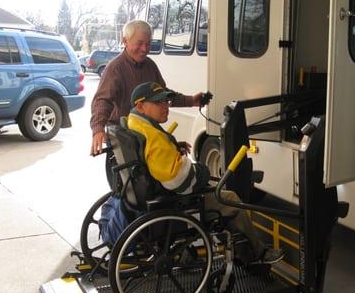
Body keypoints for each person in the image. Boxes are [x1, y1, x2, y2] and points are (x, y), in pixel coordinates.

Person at [119, 81, 284, 265]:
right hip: (174, 200)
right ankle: (257, 254)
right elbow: (179, 181)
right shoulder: (153, 137)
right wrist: (201, 171)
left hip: (150, 194)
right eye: (159, 103)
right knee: (231, 199)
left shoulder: (133, 123)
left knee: (218, 191)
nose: (166, 106)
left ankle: (240, 248)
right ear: (140, 106)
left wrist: (173, 147)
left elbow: (155, 156)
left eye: (166, 101)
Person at [90, 19, 205, 157]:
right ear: (125, 41)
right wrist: (98, 129)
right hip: (124, 139)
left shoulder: (150, 65)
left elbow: (163, 94)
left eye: (148, 43)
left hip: (147, 135)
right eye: (139, 43)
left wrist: (191, 101)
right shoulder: (115, 68)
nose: (145, 49)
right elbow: (102, 100)